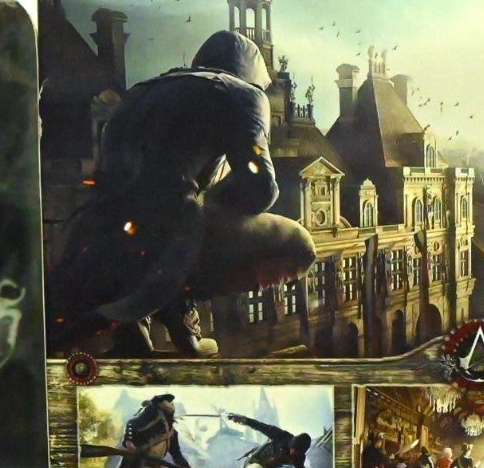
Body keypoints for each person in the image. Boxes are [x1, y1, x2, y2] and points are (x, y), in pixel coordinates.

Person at [46, 29, 316, 356]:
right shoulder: (245, 94)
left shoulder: (141, 91)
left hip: (100, 228)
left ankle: (136, 333)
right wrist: (216, 205)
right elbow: (261, 190)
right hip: (171, 227)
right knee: (274, 241)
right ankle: (181, 328)